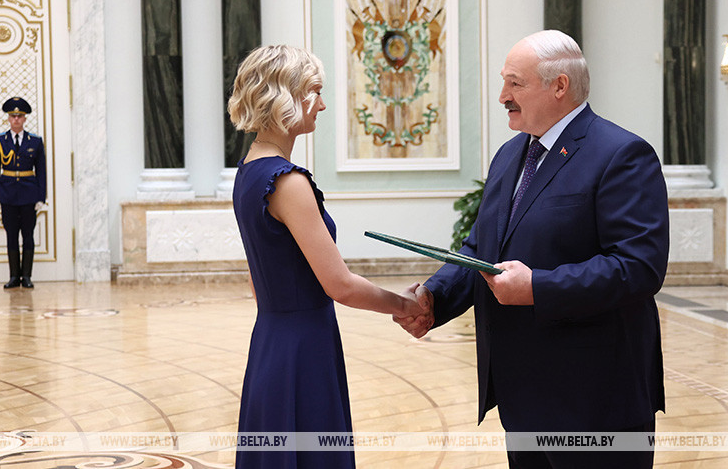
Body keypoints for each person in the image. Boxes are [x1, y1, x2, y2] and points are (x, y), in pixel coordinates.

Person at [396, 30, 669, 468]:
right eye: (504, 82)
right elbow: (481, 248)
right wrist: (434, 297)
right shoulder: (510, 155)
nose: (503, 96)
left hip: (596, 401)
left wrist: (537, 287)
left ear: (559, 86)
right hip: (523, 398)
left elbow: (639, 268)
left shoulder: (621, 154)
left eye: (515, 83)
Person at [227, 45, 426, 469]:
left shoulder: (247, 172)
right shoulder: (288, 182)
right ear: (285, 96)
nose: (321, 104)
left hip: (271, 342)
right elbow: (341, 285)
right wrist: (405, 305)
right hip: (304, 348)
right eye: (314, 91)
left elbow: (258, 281)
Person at [0, 97, 47, 289]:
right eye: (13, 116)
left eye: (19, 116)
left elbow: (41, 171)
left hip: (29, 195)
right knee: (11, 235)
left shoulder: (35, 141)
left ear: (25, 118)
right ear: (8, 118)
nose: (16, 119)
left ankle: (27, 276)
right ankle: (14, 276)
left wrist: (41, 196)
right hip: (7, 195)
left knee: (28, 235)